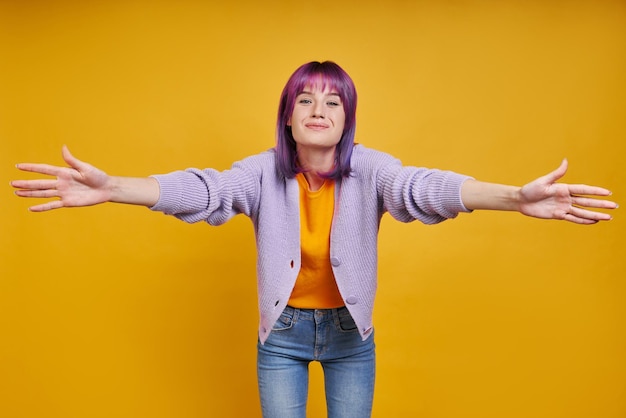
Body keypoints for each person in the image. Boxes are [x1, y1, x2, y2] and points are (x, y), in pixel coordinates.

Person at [11, 61, 618, 418]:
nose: (319, 108)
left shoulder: (373, 170)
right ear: (288, 117)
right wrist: (114, 185)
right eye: (306, 99)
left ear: (348, 119)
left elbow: (423, 188)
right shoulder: (259, 173)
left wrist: (515, 197)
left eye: (333, 100)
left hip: (353, 337)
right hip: (282, 336)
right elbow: (206, 191)